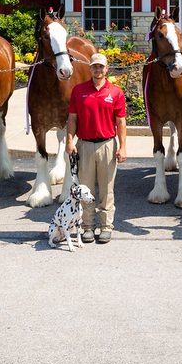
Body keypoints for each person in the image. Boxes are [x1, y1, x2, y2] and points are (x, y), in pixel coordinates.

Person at [64, 52, 127, 244]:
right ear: (90, 68)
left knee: (107, 189)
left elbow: (121, 122)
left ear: (107, 69)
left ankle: (106, 227)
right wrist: (69, 140)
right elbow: (72, 119)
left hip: (107, 144)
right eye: (94, 66)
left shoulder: (115, 92)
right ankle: (88, 227)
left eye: (101, 66)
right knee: (86, 189)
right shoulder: (78, 90)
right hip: (84, 145)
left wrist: (123, 146)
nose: (98, 70)